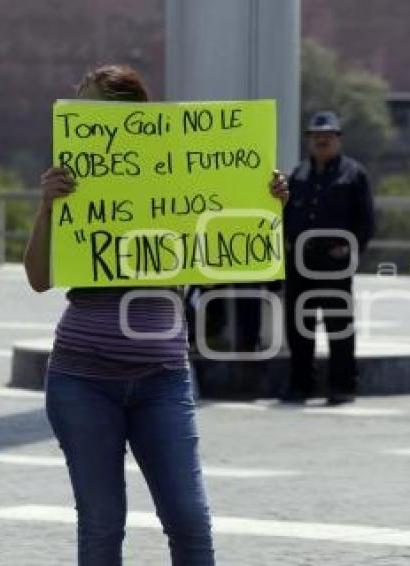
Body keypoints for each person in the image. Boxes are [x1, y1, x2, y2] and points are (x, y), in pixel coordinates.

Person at [23, 64, 289, 565]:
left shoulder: (179, 166)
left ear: (129, 114)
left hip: (163, 377)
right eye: (77, 109)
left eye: (92, 107)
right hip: (82, 378)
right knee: (102, 526)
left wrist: (264, 200)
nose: (80, 117)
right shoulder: (70, 184)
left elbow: (246, 255)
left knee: (189, 521)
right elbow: (38, 278)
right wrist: (45, 206)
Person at [280, 110, 375, 405]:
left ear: (338, 139)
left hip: (334, 263)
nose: (321, 141)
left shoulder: (354, 174)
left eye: (327, 136)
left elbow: (366, 220)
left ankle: (342, 386)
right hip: (300, 261)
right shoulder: (297, 174)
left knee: (338, 326)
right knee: (298, 326)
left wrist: (350, 249)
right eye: (315, 136)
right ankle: (300, 385)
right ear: (308, 140)